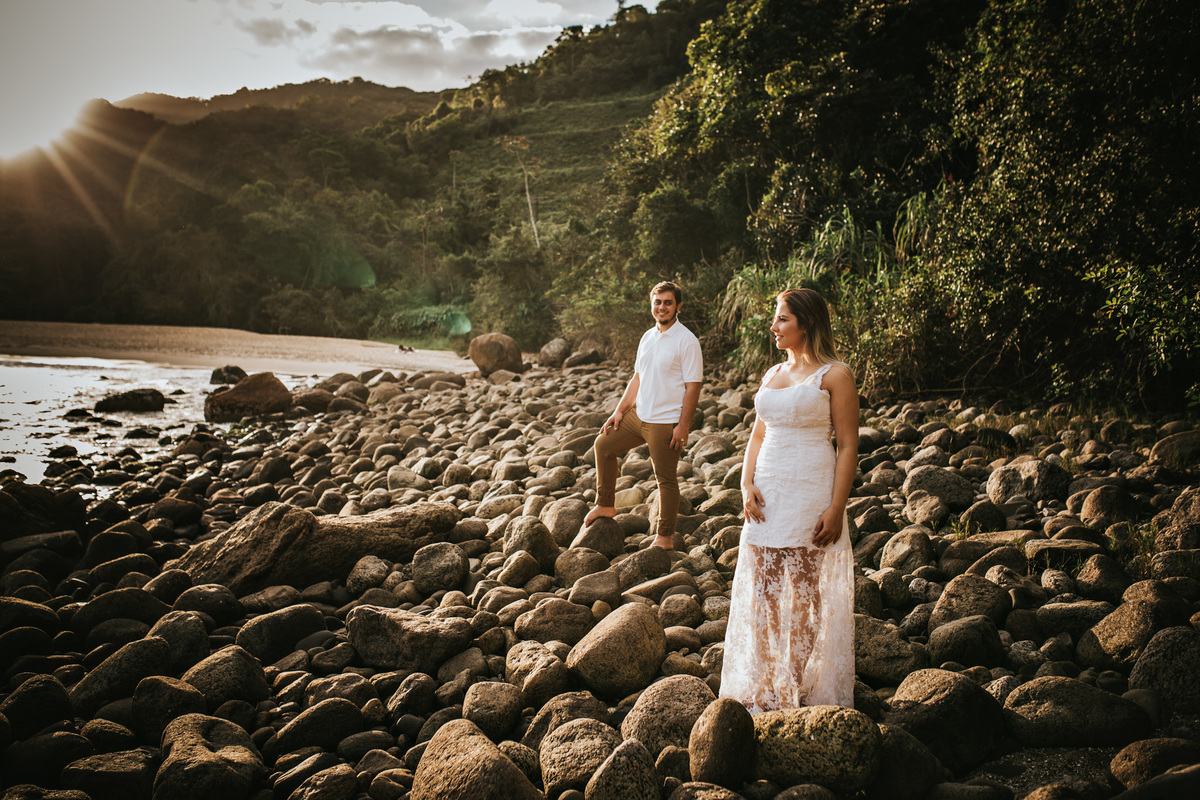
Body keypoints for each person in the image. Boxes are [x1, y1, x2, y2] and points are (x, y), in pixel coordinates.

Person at [720, 287, 858, 712]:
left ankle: (791, 683)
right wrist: (745, 484)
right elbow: (758, 434)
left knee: (802, 588)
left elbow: (849, 445)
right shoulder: (772, 373)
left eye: (782, 319)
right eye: (775, 318)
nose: (774, 326)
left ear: (807, 323)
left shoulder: (835, 374)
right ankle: (764, 679)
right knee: (763, 587)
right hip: (768, 489)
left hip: (811, 485)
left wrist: (836, 507)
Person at [584, 280, 703, 550]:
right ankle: (605, 505)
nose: (662, 307)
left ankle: (664, 537)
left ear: (678, 306)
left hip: (665, 422)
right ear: (652, 304)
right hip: (638, 416)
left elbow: (693, 387)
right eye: (657, 302)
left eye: (668, 302)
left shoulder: (687, 341)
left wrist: (683, 426)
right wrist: (620, 410)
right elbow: (638, 377)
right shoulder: (648, 337)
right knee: (603, 445)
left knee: (666, 479)